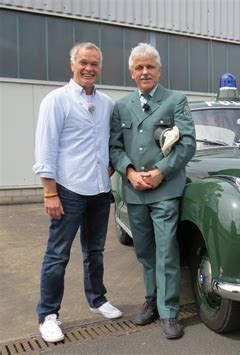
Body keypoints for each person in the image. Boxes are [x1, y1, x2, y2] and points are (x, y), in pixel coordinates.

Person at [33, 42, 122, 343]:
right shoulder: (56, 100)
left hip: (99, 190)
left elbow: (109, 141)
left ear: (100, 67)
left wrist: (110, 164)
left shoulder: (107, 103)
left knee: (95, 252)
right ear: (72, 64)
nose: (88, 68)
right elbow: (46, 147)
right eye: (83, 62)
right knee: (57, 255)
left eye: (94, 64)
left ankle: (97, 299)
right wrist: (49, 192)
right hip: (68, 190)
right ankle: (48, 315)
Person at [109, 43, 196, 339]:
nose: (144, 72)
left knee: (166, 250)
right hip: (135, 191)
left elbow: (187, 145)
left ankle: (169, 311)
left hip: (165, 190)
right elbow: (115, 148)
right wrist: (130, 172)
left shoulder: (176, 101)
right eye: (139, 67)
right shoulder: (121, 107)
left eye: (150, 67)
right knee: (145, 251)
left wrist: (161, 172)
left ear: (159, 70)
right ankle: (152, 299)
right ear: (132, 73)